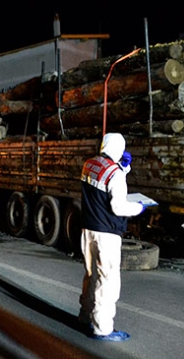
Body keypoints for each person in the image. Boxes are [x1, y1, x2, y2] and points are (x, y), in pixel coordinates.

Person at [78, 132, 145, 342]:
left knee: (91, 275)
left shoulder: (89, 164)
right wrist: (139, 207)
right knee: (107, 281)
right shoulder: (115, 173)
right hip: (107, 233)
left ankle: (84, 316)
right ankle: (103, 328)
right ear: (119, 148)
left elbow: (102, 180)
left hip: (88, 230)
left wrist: (122, 169)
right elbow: (118, 206)